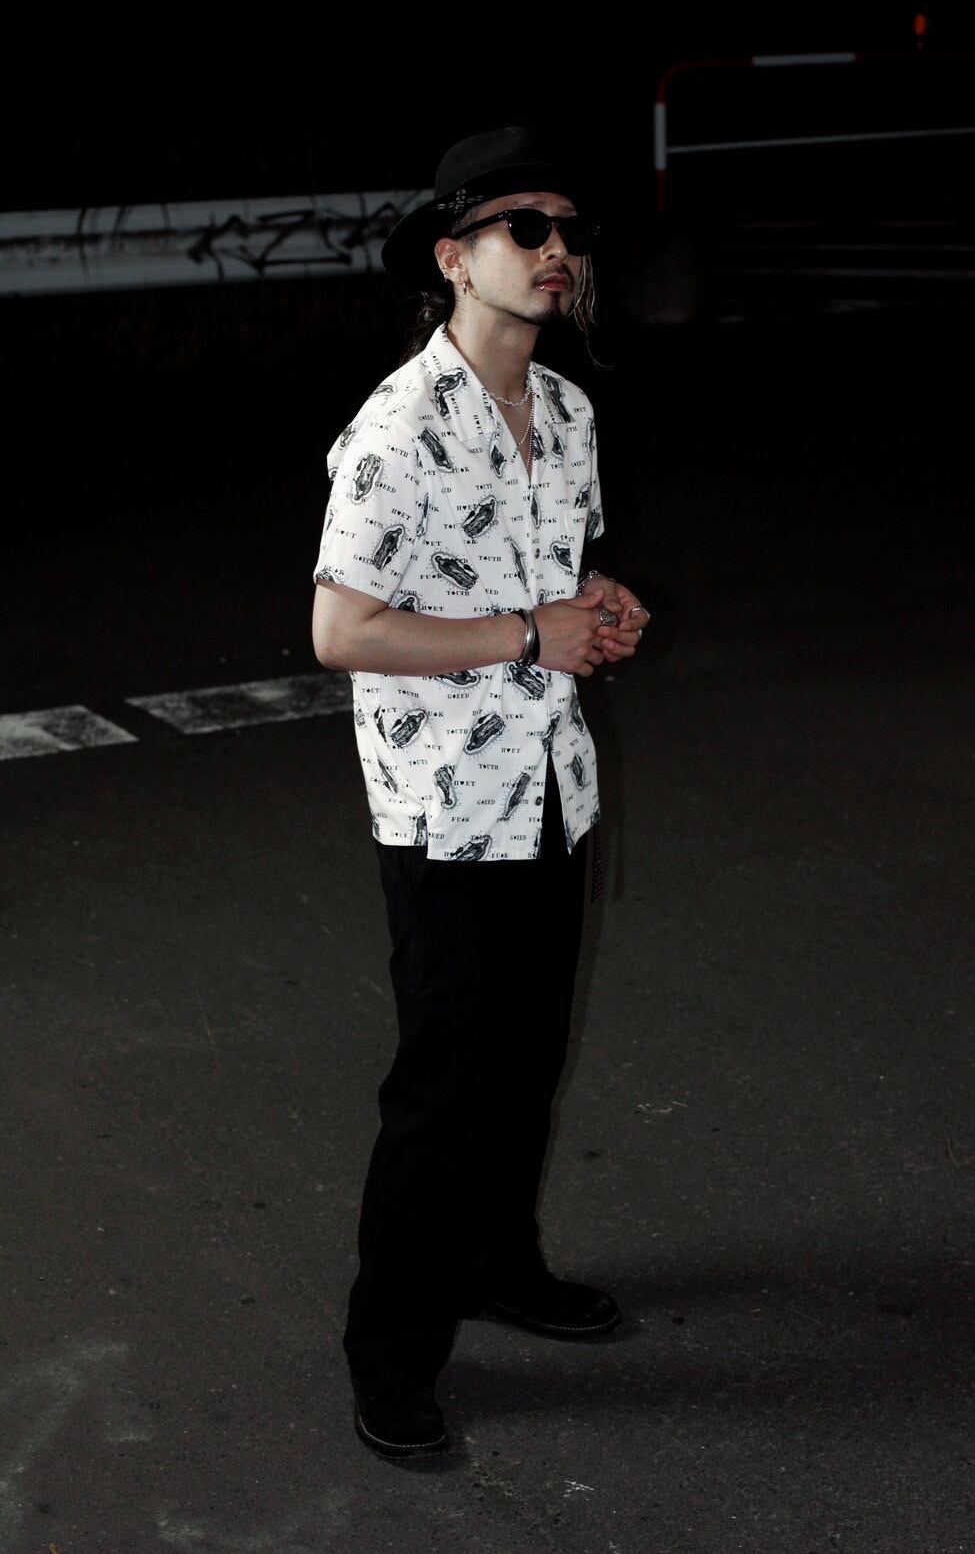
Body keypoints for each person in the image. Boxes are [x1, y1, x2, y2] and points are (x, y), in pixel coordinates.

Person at [311, 124, 650, 1458]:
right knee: (445, 1088)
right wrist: (527, 635)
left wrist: (596, 608)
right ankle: (390, 1356)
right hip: (447, 808)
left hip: (551, 787)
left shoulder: (565, 412)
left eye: (568, 230)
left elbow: (552, 579)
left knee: (525, 1061)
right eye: (525, 229)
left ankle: (499, 1265)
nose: (556, 251)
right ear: (455, 259)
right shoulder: (397, 430)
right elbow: (342, 630)